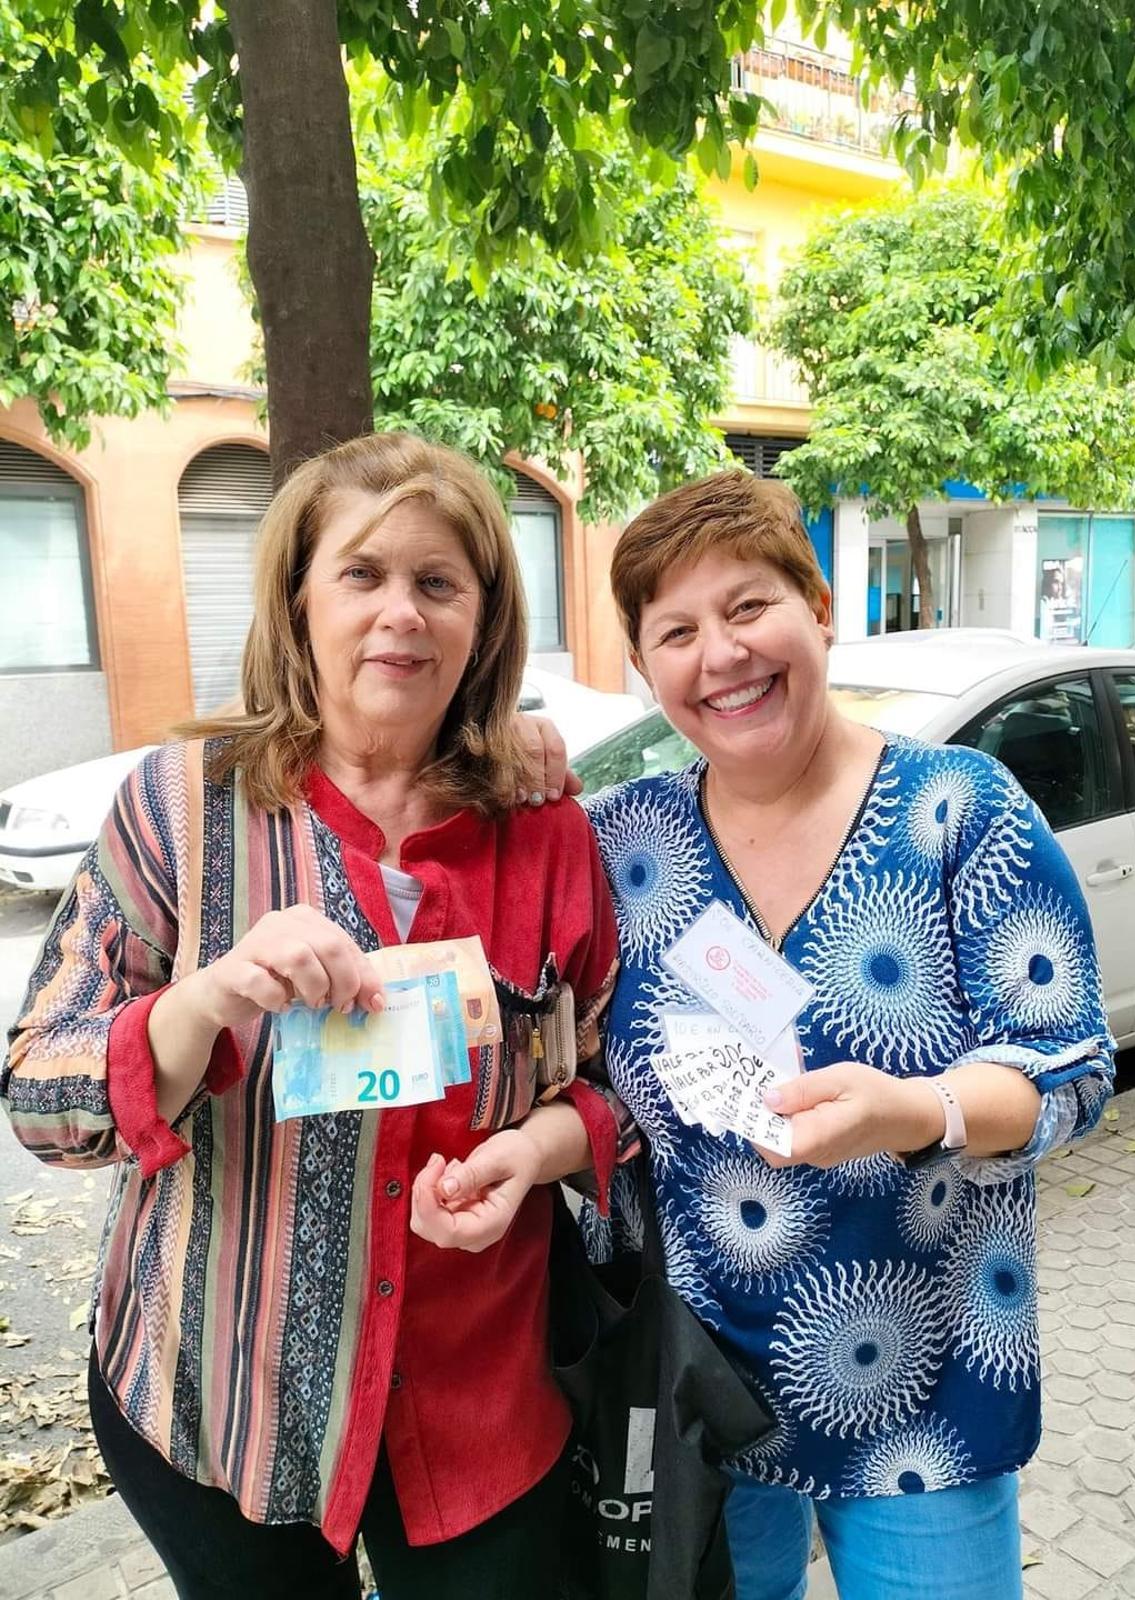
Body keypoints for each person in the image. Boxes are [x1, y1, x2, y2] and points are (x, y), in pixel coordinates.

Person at [1, 432, 635, 1600]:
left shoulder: (548, 836)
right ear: (299, 601)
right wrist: (202, 1000)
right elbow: (41, 1099)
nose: (401, 611)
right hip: (223, 1408)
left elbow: (613, 1080)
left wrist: (536, 1150)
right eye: (363, 574)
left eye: (438, 582)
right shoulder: (180, 811)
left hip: (480, 1415)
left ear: (482, 625)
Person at [582, 470, 1115, 1600]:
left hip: (924, 1397)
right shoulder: (622, 844)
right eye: (675, 631)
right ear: (644, 667)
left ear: (818, 605)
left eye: (746, 607)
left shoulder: (959, 810)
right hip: (703, 1391)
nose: (718, 654)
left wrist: (922, 1110)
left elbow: (1070, 1064)